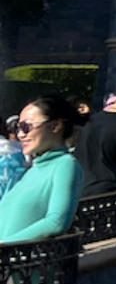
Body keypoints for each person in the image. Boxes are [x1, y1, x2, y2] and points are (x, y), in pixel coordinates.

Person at [0, 95, 85, 243]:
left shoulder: (65, 165)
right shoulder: (35, 169)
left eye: (27, 127)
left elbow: (56, 222)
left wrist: (5, 247)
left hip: (22, 262)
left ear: (55, 126)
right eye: (17, 128)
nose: (20, 135)